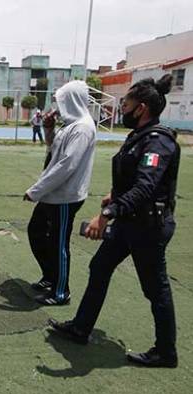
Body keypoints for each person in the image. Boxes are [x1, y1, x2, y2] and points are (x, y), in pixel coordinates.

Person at [49, 74, 181, 368]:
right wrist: (115, 194)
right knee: (100, 267)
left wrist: (106, 214)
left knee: (155, 288)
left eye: (126, 103)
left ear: (142, 107)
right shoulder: (140, 137)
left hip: (147, 228)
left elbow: (146, 187)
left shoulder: (158, 142)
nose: (121, 108)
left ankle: (166, 351)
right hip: (128, 222)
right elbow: (135, 180)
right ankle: (81, 327)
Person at [24, 80, 96, 306]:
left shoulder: (83, 128)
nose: (58, 105)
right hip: (53, 194)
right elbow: (52, 148)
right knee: (36, 231)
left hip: (65, 196)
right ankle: (50, 276)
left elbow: (67, 165)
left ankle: (61, 291)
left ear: (72, 100)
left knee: (58, 243)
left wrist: (36, 190)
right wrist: (48, 128)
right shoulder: (70, 125)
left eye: (62, 100)